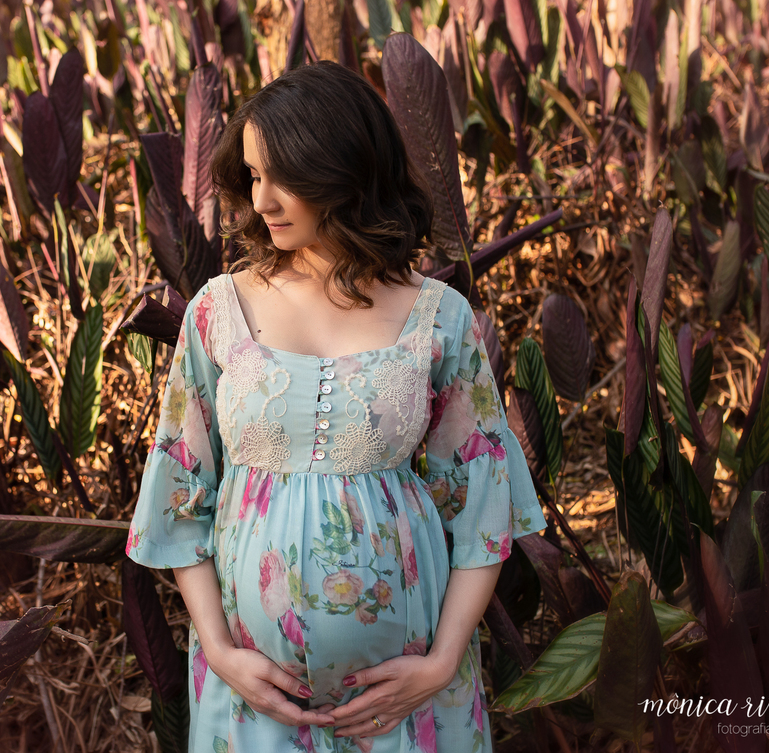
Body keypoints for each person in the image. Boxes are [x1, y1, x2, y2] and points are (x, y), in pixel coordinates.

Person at [126, 61, 546, 753]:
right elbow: (179, 498)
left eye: (282, 176)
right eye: (253, 176)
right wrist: (222, 651)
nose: (261, 200)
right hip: (253, 697)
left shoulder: (437, 319)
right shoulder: (217, 312)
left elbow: (484, 508)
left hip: (406, 697)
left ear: (343, 168)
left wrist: (441, 661)